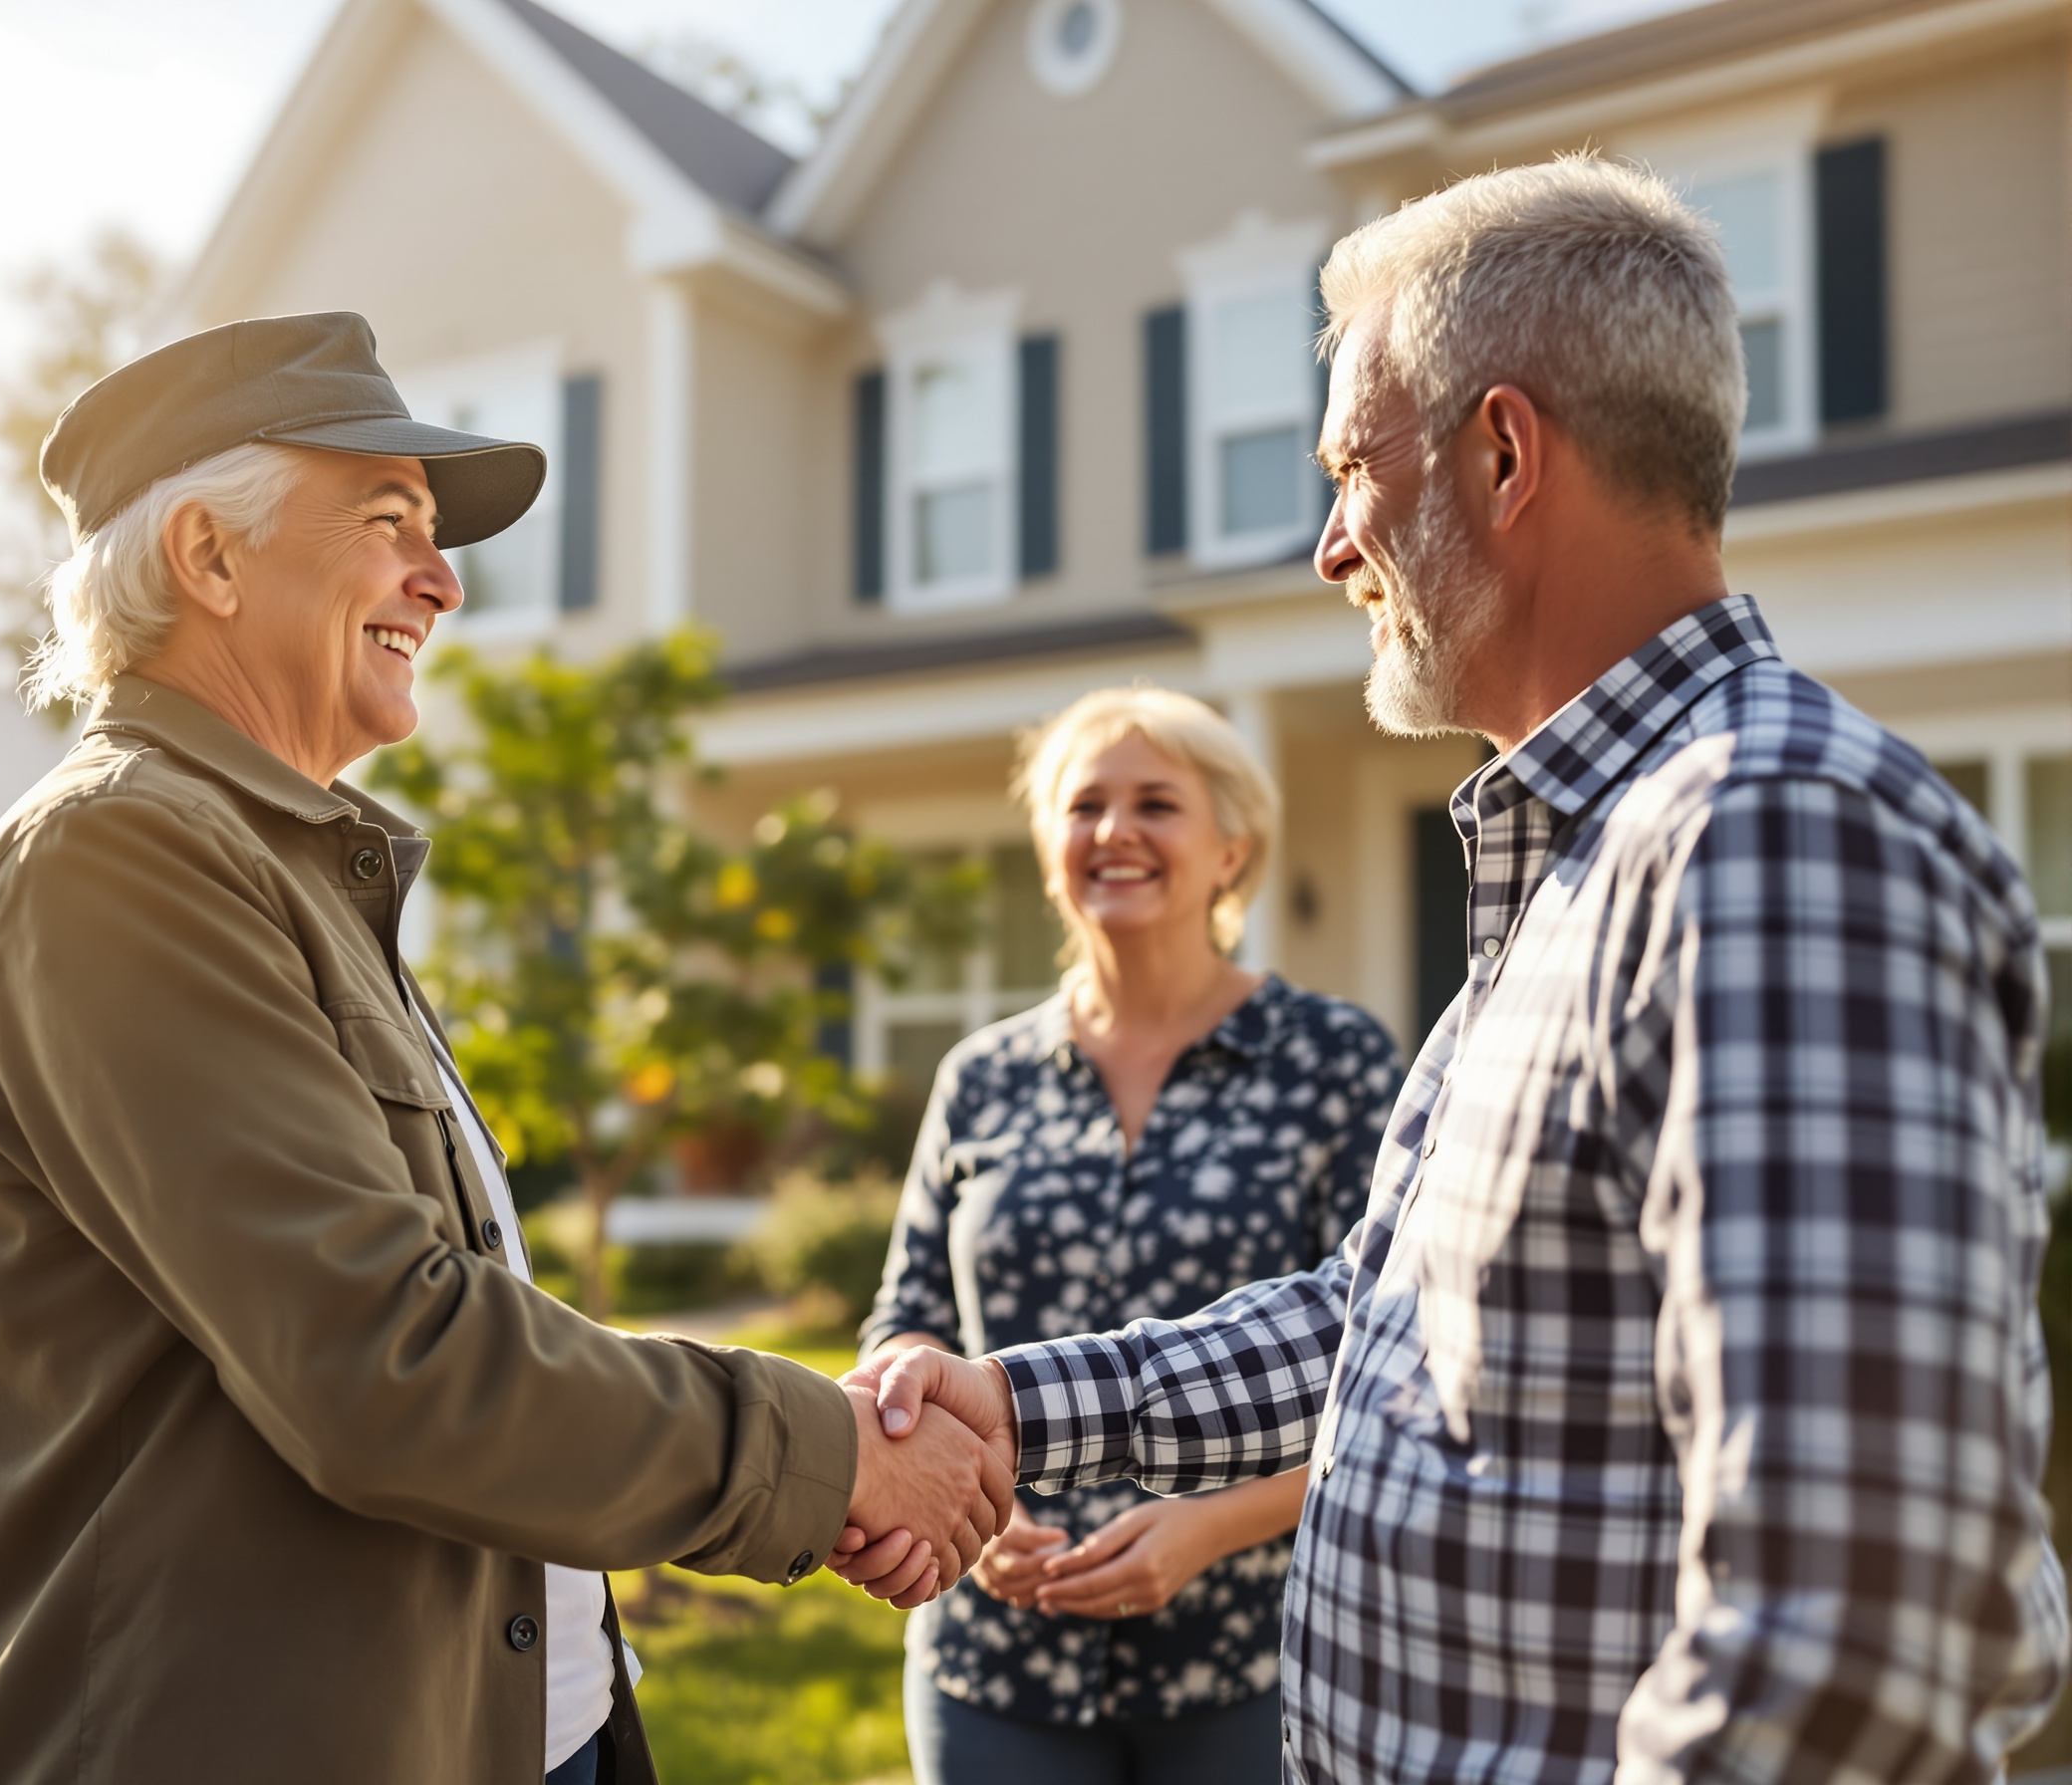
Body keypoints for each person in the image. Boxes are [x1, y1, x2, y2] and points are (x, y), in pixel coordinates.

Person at [839, 156, 2071, 1781]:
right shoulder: (1585, 854)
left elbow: (1850, 1632)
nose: (1328, 548)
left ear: (1502, 455)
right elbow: (1394, 1316)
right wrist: (1021, 1403)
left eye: (1352, 468)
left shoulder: (1767, 841)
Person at [0, 312, 1008, 1785]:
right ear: (207, 555)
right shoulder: (120, 860)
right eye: (389, 522)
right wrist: (829, 1455)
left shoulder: (281, 864)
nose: (444, 581)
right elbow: (388, 1360)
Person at [858, 686, 1401, 1785]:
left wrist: (1211, 1526)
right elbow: (906, 1314)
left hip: (1248, 1653)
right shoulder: (982, 1076)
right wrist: (953, 1486)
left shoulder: (1334, 1060)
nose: (1114, 831)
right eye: (1082, 806)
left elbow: (1385, 1349)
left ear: (1232, 849)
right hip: (993, 1657)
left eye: (1157, 803)